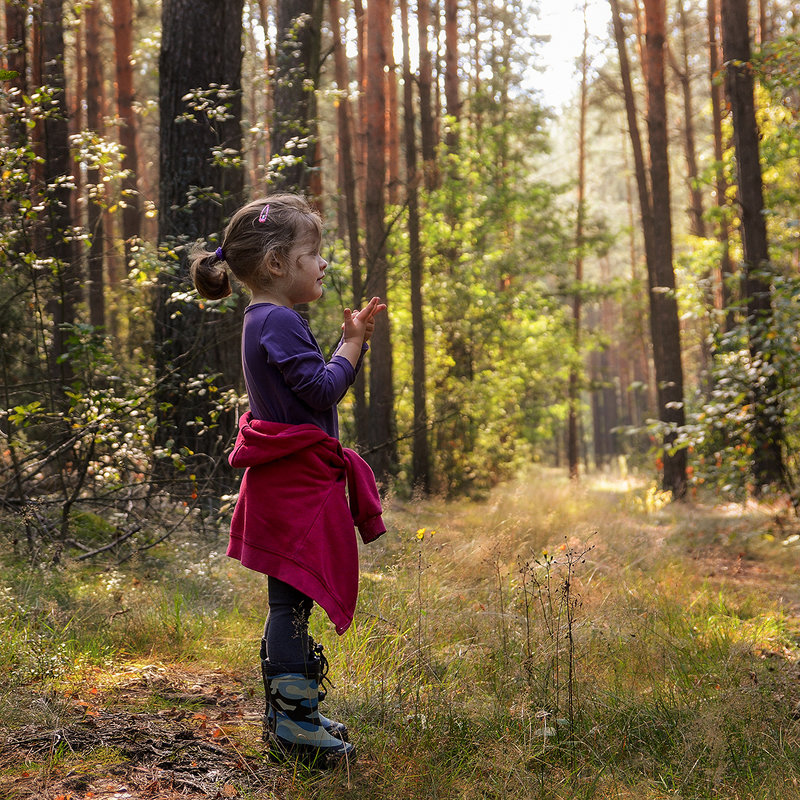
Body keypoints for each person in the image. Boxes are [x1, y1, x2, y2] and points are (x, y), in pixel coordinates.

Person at [189, 194, 387, 768]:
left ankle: (292, 711)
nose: (322, 265)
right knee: (289, 600)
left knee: (292, 601)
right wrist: (352, 345)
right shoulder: (276, 318)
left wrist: (341, 346)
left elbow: (303, 389)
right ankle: (292, 723)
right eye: (312, 254)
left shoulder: (268, 319)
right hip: (294, 482)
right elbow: (322, 390)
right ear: (277, 264)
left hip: (293, 474)